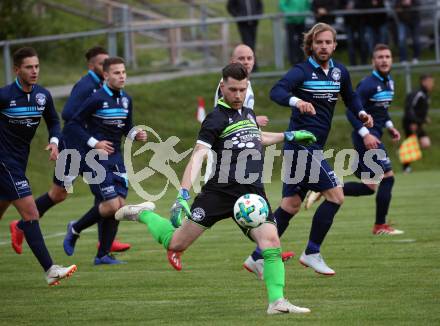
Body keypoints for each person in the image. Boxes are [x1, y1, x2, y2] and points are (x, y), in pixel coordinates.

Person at [115, 63, 315, 314]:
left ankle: (277, 301)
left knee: (271, 241)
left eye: (242, 89)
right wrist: (183, 194)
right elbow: (198, 155)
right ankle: (143, 213)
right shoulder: (215, 118)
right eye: (233, 90)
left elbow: (257, 137)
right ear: (222, 87)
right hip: (219, 193)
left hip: (251, 193)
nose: (238, 95)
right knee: (176, 244)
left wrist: (289, 136)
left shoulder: (249, 113)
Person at [244, 23, 373, 277]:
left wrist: (361, 113)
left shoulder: (340, 72)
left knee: (291, 205)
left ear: (335, 45)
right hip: (303, 147)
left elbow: (351, 96)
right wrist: (297, 101)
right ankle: (312, 252)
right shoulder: (301, 71)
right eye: (319, 42)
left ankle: (257, 258)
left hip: (304, 148)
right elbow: (276, 91)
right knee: (336, 196)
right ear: (311, 45)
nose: (323, 46)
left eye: (328, 42)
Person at [9, 46, 131, 255]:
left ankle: (105, 244)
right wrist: (91, 139)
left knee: (104, 192)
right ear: (93, 65)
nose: (107, 67)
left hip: (90, 151)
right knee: (59, 194)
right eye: (103, 64)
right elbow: (68, 115)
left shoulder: (107, 89)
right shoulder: (87, 86)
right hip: (73, 150)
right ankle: (21, 225)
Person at [306, 44, 404, 235]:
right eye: (380, 57)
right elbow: (352, 111)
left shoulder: (389, 82)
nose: (384, 60)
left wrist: (390, 127)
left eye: (387, 56)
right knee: (388, 178)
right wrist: (365, 134)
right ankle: (380, 226)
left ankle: (327, 187)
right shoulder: (367, 84)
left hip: (374, 137)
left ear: (391, 60)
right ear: (373, 61)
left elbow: (381, 111)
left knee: (369, 187)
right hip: (367, 138)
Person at [1, 47, 77, 285]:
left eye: (36, 66)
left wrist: (54, 142)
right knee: (31, 213)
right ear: (16, 70)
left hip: (18, 162)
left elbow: (54, 121)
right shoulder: (4, 95)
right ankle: (50, 270)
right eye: (28, 67)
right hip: (4, 162)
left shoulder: (42, 96)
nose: (34, 71)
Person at [62, 57, 147, 265]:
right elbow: (72, 125)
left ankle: (103, 255)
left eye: (124, 72)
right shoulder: (97, 98)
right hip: (94, 159)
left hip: (116, 159)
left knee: (119, 207)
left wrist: (136, 134)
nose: (122, 76)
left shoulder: (126, 99)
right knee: (110, 205)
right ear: (106, 75)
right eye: (117, 73)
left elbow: (127, 128)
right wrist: (94, 142)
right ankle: (75, 228)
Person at [214, 44, 269, 127]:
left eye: (249, 58)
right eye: (241, 58)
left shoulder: (245, 82)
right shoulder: (228, 83)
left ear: (254, 61)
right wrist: (253, 120)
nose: (246, 62)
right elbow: (224, 117)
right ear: (232, 61)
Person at [402, 74, 434, 172]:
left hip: (417, 122)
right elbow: (409, 108)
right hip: (410, 122)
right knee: (412, 143)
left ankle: (405, 157)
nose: (432, 84)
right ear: (424, 82)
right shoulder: (417, 93)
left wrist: (424, 118)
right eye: (430, 82)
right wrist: (413, 122)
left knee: (425, 143)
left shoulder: (425, 95)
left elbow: (420, 109)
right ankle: (406, 167)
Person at [279, 0, 310, 66]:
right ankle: (292, 59)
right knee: (291, 41)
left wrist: (305, 11)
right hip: (290, 20)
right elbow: (282, 4)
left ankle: (301, 58)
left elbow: (308, 3)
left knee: (301, 40)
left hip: (301, 20)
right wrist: (289, 13)